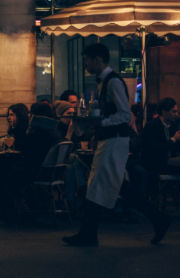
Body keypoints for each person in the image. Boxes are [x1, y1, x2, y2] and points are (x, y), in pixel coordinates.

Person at [63, 43, 170, 247]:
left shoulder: (112, 82)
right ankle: (158, 219)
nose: (85, 65)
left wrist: (100, 123)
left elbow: (124, 114)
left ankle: (89, 233)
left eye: (87, 60)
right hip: (111, 140)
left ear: (97, 60)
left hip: (114, 142)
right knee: (115, 186)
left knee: (101, 185)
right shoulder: (107, 81)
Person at [141, 98, 180, 181]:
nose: (177, 114)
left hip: (170, 162)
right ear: (164, 112)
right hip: (156, 163)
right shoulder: (151, 126)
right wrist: (174, 139)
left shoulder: (172, 126)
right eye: (174, 111)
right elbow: (157, 149)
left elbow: (175, 148)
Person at [16, 103, 64, 180]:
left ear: (35, 115)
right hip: (54, 173)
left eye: (31, 112)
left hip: (37, 172)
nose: (28, 115)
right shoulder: (55, 131)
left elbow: (27, 152)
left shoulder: (36, 132)